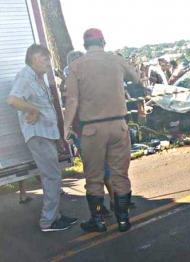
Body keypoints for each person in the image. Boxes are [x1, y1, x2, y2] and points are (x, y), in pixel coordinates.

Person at [64, 28, 140, 233]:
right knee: (120, 175)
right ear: (103, 42)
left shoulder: (76, 66)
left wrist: (66, 127)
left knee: (94, 178)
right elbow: (137, 79)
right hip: (118, 125)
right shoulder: (116, 60)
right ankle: (123, 219)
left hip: (92, 130)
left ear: (85, 45)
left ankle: (98, 218)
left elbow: (71, 100)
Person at [7, 44, 77, 232]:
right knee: (51, 176)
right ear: (32, 59)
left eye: (48, 57)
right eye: (43, 57)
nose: (48, 61)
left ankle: (56, 216)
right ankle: (48, 221)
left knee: (52, 176)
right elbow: (12, 100)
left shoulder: (37, 78)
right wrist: (33, 110)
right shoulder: (25, 76)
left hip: (45, 134)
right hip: (38, 134)